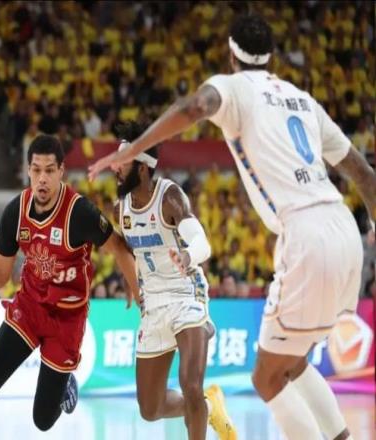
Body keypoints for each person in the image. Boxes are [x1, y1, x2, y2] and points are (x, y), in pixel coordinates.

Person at [88, 15, 376, 440]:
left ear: (230, 54)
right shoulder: (302, 99)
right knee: (292, 362)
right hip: (344, 228)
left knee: (267, 377)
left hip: (303, 235)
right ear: (271, 56)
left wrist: (136, 147)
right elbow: (365, 175)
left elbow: (191, 109)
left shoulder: (233, 88)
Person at [0, 135, 138, 439]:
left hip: (67, 317)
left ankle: (65, 383)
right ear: (28, 171)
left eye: (50, 170)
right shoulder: (16, 212)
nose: (42, 178)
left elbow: (118, 246)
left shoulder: (79, 212)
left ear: (61, 171)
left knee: (42, 420)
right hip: (30, 307)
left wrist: (134, 285)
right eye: (37, 170)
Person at [113, 121, 236, 440]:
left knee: (190, 384)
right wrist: (130, 281)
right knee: (150, 408)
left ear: (142, 168)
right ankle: (206, 405)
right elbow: (127, 248)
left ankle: (198, 402)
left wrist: (187, 256)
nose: (115, 167)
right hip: (153, 303)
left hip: (185, 294)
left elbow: (202, 243)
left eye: (123, 162)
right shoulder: (120, 209)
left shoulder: (169, 197)